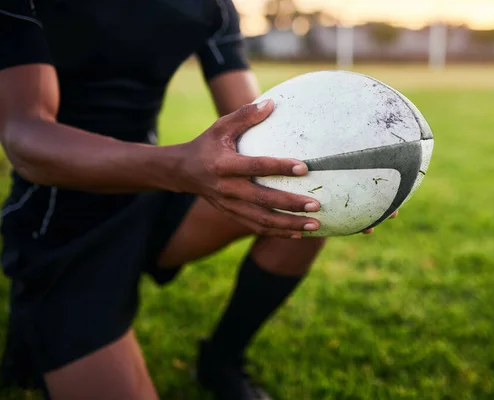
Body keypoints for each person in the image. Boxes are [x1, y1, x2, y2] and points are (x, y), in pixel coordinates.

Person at [0, 0, 395, 399]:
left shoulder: (212, 6)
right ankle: (33, 332)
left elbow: (251, 124)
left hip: (152, 190)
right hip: (62, 216)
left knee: (298, 207)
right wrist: (179, 165)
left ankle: (221, 359)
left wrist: (346, 185)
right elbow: (25, 135)